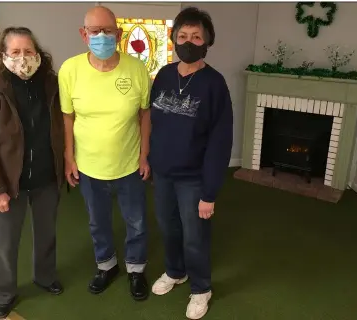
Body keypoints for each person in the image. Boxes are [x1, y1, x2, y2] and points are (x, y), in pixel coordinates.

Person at [58, 6, 151, 300]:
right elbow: (67, 118)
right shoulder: (69, 70)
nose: (101, 36)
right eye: (94, 31)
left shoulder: (137, 69)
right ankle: (107, 265)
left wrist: (144, 155)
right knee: (97, 221)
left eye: (107, 30)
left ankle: (136, 269)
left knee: (136, 221)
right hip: (88, 166)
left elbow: (145, 115)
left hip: (129, 164)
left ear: (118, 33)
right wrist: (69, 158)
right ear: (83, 35)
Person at [0, 27, 65, 319]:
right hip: (8, 183)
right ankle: (4, 293)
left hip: (46, 178)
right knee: (4, 241)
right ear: (3, 55)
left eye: (28, 51)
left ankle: (45, 276)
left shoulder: (51, 82)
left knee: (46, 233)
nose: (23, 58)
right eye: (15, 52)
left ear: (37, 53)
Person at [149, 7, 233, 320]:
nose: (189, 41)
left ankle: (201, 288)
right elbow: (154, 121)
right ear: (173, 39)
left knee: (195, 236)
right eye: (183, 36)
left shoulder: (215, 83)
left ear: (207, 41)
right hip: (163, 173)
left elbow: (220, 141)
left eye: (196, 36)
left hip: (194, 178)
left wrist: (209, 192)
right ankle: (175, 271)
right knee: (168, 228)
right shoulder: (164, 75)